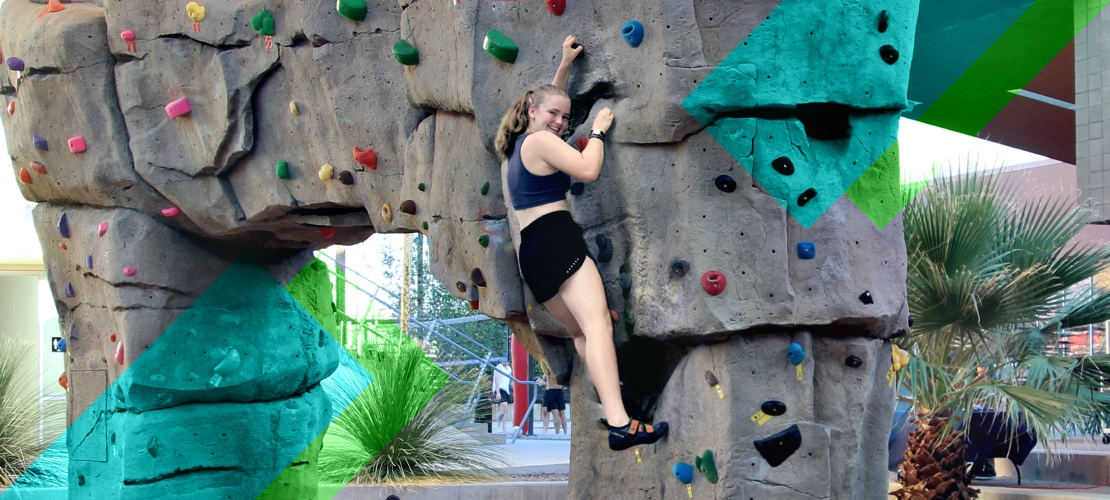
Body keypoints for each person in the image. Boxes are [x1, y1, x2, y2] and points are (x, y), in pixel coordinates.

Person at [495, 35, 669, 451]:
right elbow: (588, 170)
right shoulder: (540, 141)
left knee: (581, 334)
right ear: (532, 111)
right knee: (598, 326)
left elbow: (552, 102)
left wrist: (564, 65)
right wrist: (598, 131)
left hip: (533, 253)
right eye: (553, 114)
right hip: (558, 239)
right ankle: (620, 422)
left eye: (565, 116)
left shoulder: (521, 146)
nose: (560, 122)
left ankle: (614, 402)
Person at [491, 360, 514, 433]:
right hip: (500, 388)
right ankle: (498, 424)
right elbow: (497, 380)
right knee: (504, 406)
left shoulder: (509, 368)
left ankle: (504, 427)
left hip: (506, 389)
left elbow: (511, 380)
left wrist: (513, 391)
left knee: (505, 408)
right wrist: (497, 392)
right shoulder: (499, 367)